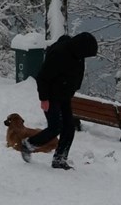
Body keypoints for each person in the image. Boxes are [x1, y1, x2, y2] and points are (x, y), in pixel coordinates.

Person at [20, 32, 99, 170]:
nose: (85, 57)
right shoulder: (59, 54)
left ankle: (60, 159)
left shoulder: (78, 55)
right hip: (51, 96)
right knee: (55, 127)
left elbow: (76, 74)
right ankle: (28, 144)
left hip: (65, 96)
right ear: (81, 48)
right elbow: (42, 77)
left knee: (69, 128)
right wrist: (44, 99)